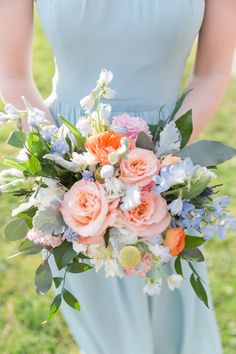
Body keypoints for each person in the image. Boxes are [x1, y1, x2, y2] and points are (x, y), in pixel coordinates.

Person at [0, 1, 236, 353]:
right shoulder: (72, 173)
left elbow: (213, 71)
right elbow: (11, 73)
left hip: (168, 168)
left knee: (176, 326)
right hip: (73, 172)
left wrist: (158, 163)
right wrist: (71, 169)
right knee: (113, 339)